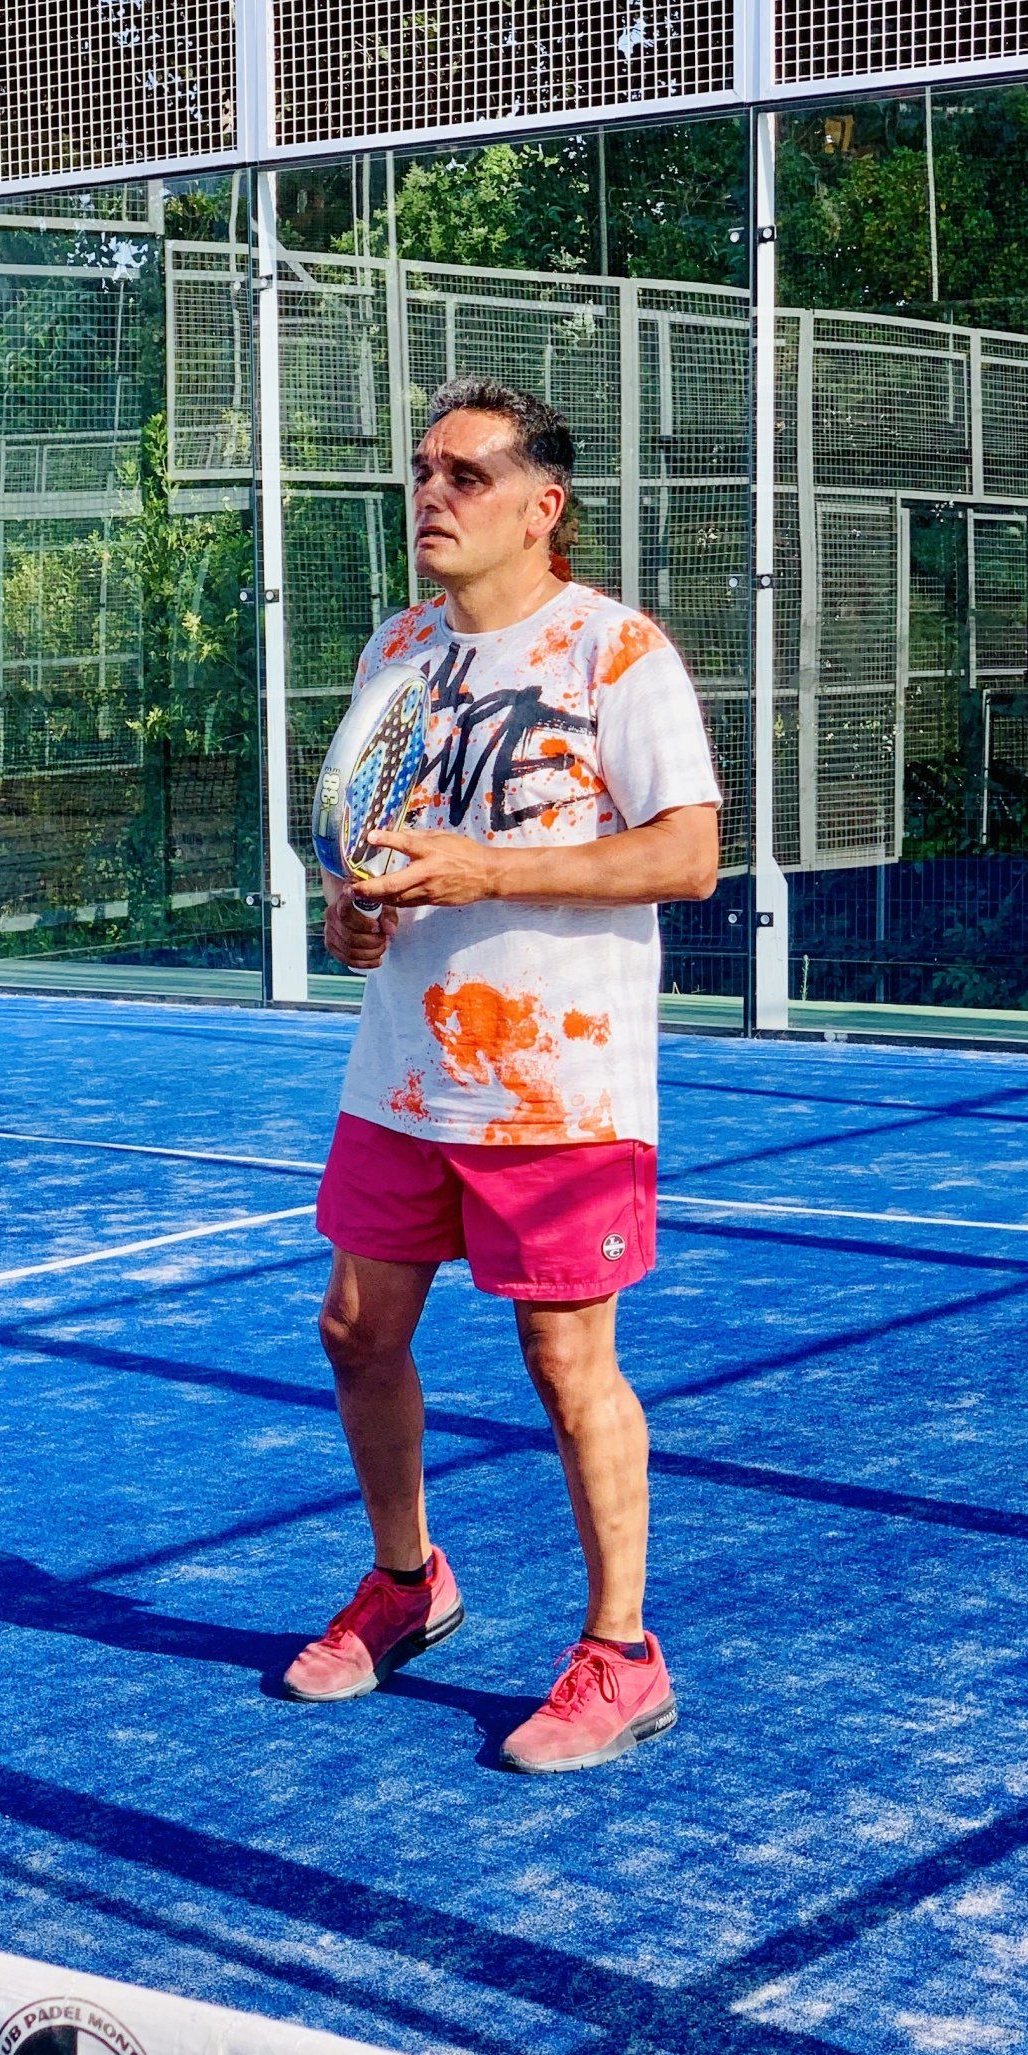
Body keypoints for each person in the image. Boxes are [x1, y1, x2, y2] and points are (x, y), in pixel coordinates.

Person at [285, 375, 722, 1773]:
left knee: (566, 1360)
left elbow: (689, 854)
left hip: (559, 1084)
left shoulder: (618, 651)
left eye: (466, 475)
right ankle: (408, 1581)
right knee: (355, 1328)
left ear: (544, 506)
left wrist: (491, 870)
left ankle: (622, 1657)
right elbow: (374, 840)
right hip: (403, 1069)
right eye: (423, 471)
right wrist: (355, 914)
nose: (432, 494)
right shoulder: (398, 649)